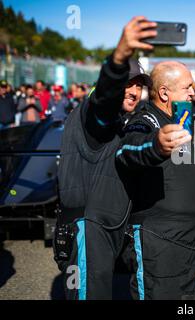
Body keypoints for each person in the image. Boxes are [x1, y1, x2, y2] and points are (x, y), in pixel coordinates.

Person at [54, 16, 156, 300]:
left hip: (103, 225)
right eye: (128, 83)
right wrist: (119, 57)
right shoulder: (94, 113)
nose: (134, 91)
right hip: (87, 228)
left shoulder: (121, 120)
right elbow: (105, 99)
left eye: (139, 85)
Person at [116, 60, 195, 300]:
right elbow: (128, 150)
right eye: (187, 87)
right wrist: (155, 146)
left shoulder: (183, 119)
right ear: (164, 93)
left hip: (191, 239)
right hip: (160, 244)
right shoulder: (145, 121)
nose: (193, 92)